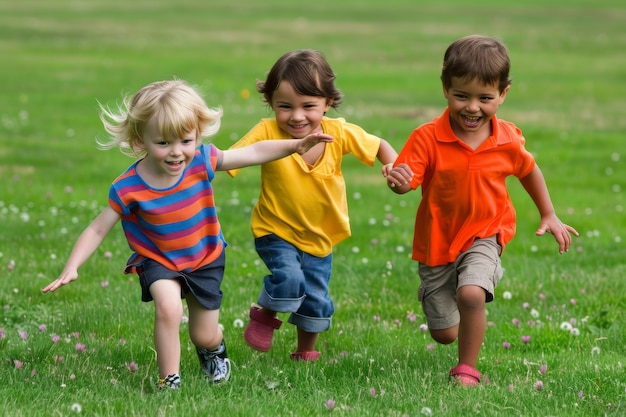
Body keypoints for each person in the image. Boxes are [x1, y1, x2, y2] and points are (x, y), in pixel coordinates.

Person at [42, 79, 333, 389]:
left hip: (204, 257)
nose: (176, 152)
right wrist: (72, 266)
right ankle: (169, 379)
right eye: (163, 143)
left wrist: (295, 145)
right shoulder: (128, 187)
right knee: (168, 308)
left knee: (203, 334)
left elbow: (254, 152)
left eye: (185, 140)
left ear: (197, 136)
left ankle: (213, 351)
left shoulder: (201, 160)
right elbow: (97, 228)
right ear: (141, 140)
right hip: (159, 258)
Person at [385, 35, 579, 386]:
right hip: (436, 243)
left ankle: (467, 370)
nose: (472, 107)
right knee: (444, 333)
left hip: (486, 232)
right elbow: (406, 179)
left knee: (471, 294)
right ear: (445, 88)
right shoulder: (427, 137)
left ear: (503, 94)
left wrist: (549, 214)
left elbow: (529, 169)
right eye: (462, 95)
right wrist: (398, 182)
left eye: (485, 98)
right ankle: (442, 297)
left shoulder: (507, 139)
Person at [227, 49, 399, 362]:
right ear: (270, 103)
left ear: (328, 103)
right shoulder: (266, 132)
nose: (296, 116)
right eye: (285, 106)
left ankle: (305, 351)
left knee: (316, 298)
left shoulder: (338, 132)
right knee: (290, 279)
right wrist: (197, 164)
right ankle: (266, 314)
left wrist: (393, 166)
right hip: (275, 229)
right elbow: (230, 159)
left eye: (308, 106)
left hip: (320, 237)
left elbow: (380, 146)